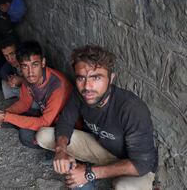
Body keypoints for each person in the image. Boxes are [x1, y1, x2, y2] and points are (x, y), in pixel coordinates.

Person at [36, 45, 158, 189]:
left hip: (133, 164)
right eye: (81, 78)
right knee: (43, 135)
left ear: (111, 79)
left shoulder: (132, 109)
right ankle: (89, 168)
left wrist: (89, 173)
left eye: (96, 77)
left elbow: (142, 164)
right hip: (102, 149)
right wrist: (61, 150)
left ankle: (94, 171)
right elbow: (65, 122)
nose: (87, 86)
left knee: (125, 187)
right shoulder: (79, 95)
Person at [0, 41, 72, 148]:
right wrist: (2, 114)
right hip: (45, 115)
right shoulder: (29, 79)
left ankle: (54, 151)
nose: (30, 72)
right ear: (20, 66)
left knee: (25, 135)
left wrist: (6, 116)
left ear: (43, 62)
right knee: (8, 118)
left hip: (65, 128)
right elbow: (24, 103)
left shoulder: (58, 84)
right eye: (25, 67)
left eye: (34, 65)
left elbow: (44, 122)